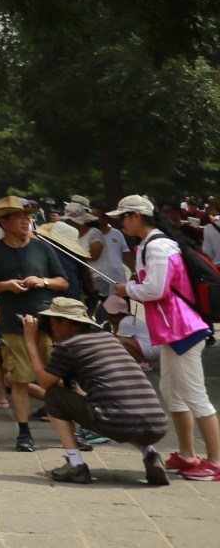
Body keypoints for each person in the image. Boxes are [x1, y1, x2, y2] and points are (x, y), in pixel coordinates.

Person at [112, 194, 220, 480]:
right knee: (173, 392)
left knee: (196, 396)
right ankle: (187, 455)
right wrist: (134, 286)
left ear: (136, 216)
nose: (120, 223)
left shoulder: (158, 247)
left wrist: (128, 289)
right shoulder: (152, 245)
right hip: (173, 330)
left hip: (183, 329)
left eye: (122, 217)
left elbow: (156, 289)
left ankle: (216, 462)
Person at [28, 294, 171, 484]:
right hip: (156, 425)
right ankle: (151, 455)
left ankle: (75, 464)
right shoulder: (108, 338)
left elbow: (46, 383)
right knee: (123, 410)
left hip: (117, 421)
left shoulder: (69, 346)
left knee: (54, 397)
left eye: (51, 322)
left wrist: (30, 343)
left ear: (65, 324)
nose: (49, 328)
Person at [0, 193, 80, 453]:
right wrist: (5, 286)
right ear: (4, 222)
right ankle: (24, 433)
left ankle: (73, 430)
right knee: (20, 381)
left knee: (59, 379)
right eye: (19, 217)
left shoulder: (43, 247)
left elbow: (63, 281)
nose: (26, 221)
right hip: (13, 325)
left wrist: (43, 282)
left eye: (28, 217)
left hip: (49, 324)